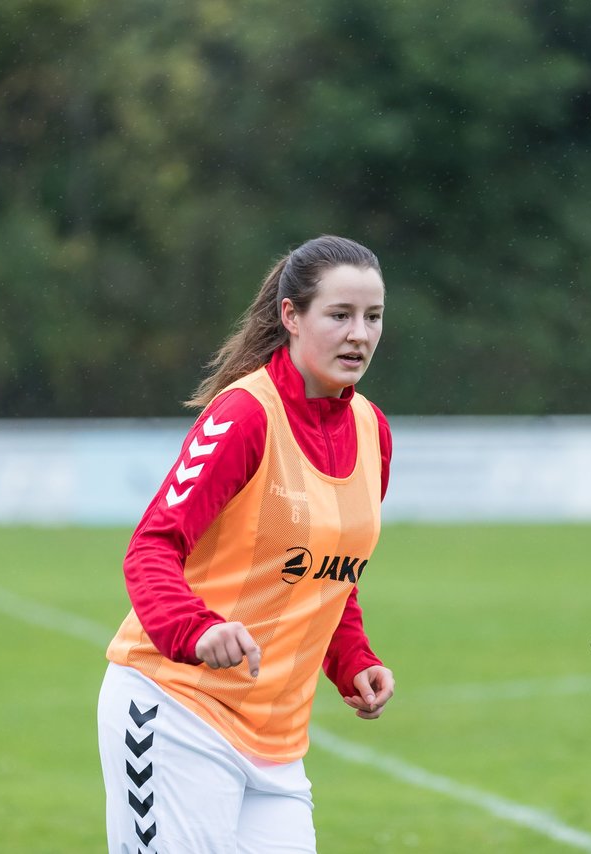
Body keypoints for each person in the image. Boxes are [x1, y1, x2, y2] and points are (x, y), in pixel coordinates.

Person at [97, 235, 396, 853]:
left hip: (277, 746)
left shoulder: (372, 429)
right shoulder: (245, 415)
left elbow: (331, 575)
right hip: (177, 711)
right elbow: (151, 547)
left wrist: (354, 661)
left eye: (373, 317)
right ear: (292, 316)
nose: (359, 335)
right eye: (339, 315)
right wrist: (195, 628)